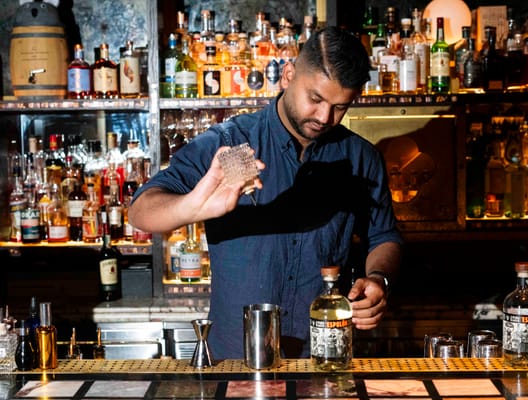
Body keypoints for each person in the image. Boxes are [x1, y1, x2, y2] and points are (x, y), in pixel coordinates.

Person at [128, 26, 403, 360]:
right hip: (236, 362)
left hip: (322, 359)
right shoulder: (230, 144)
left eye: (340, 107)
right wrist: (193, 205)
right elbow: (140, 211)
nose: (324, 117)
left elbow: (384, 236)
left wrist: (378, 280)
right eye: (315, 99)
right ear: (288, 75)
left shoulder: (361, 158)